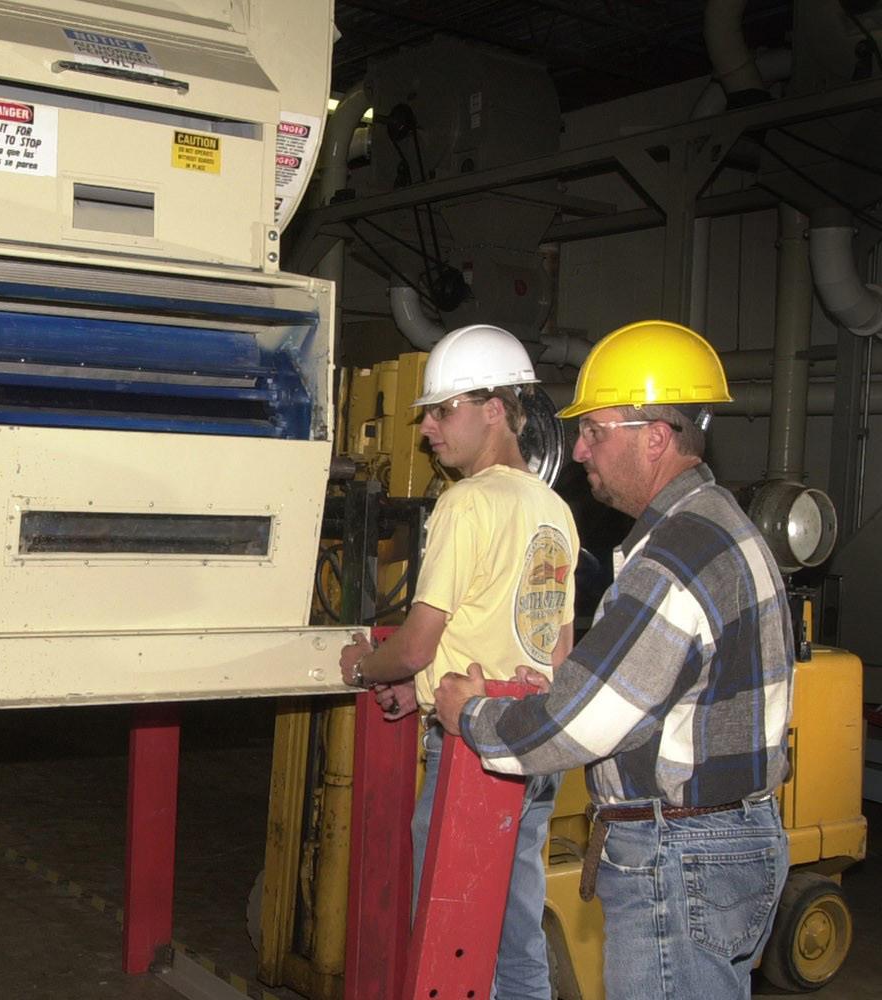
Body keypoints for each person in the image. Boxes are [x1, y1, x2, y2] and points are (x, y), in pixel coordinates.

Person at [434, 319, 792, 1000]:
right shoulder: (723, 525)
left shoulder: (675, 554)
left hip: (679, 856)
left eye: (596, 431)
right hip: (732, 840)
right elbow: (658, 691)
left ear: (655, 437)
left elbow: (586, 725)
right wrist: (567, 686)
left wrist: (473, 715)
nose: (579, 450)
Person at [338, 323, 579, 1000]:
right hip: (535, 742)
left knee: (451, 940)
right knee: (515, 933)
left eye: (444, 411)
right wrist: (418, 688)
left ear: (494, 409)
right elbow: (552, 648)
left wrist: (365, 667)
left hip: (472, 753)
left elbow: (418, 641)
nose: (427, 430)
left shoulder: (464, 503)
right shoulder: (555, 509)